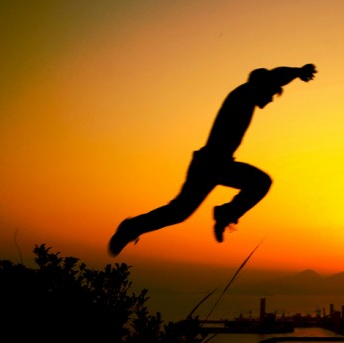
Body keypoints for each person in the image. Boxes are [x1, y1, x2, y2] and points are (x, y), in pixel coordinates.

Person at [108, 63, 318, 257]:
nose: (272, 99)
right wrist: (298, 71)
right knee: (260, 183)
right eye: (271, 93)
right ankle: (224, 214)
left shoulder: (245, 97)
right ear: (262, 87)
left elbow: (274, 78)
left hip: (215, 163)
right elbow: (274, 76)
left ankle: (133, 227)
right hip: (212, 163)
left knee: (179, 212)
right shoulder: (243, 95)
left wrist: (297, 73)